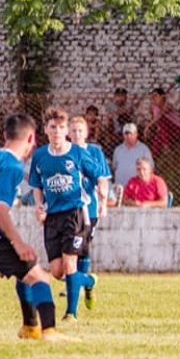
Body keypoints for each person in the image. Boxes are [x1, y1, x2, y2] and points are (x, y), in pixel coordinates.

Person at [0, 112, 78, 343]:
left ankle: (30, 327)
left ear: (5, 135)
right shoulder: (13, 165)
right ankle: (49, 331)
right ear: (31, 139)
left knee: (26, 272)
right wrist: (17, 242)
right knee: (40, 277)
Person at [29, 107, 107, 323]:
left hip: (75, 213)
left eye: (61, 127)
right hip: (53, 217)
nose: (57, 131)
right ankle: (88, 282)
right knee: (57, 271)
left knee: (70, 263)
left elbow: (99, 175)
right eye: (53, 127)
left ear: (66, 131)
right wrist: (39, 206)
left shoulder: (77, 153)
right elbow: (36, 184)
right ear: (45, 129)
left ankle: (70, 313)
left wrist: (102, 193)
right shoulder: (40, 156)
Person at [70, 116, 110, 286]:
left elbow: (103, 179)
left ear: (86, 133)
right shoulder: (64, 152)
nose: (77, 134)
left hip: (89, 207)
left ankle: (80, 279)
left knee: (83, 246)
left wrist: (103, 203)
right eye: (73, 130)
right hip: (69, 207)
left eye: (80, 130)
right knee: (70, 246)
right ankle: (76, 282)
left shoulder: (94, 152)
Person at [111, 122, 153, 187]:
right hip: (120, 188)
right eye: (126, 134)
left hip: (138, 188)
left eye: (131, 134)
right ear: (123, 135)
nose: (129, 136)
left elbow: (151, 168)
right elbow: (114, 167)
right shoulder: (118, 149)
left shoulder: (144, 149)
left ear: (136, 134)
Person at [144, 87, 180, 156]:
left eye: (155, 96)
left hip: (176, 131)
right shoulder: (153, 108)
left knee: (161, 120)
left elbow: (160, 115)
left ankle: (166, 147)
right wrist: (150, 130)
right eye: (152, 97)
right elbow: (154, 122)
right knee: (155, 146)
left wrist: (148, 127)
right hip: (164, 133)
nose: (153, 99)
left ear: (162, 96)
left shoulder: (168, 105)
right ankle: (153, 154)